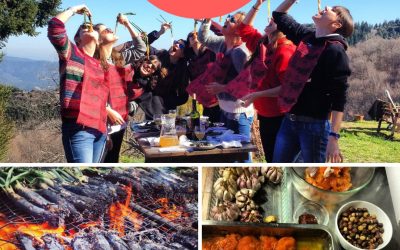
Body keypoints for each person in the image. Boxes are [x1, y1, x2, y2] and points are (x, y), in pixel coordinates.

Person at [272, 0, 354, 163]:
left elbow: (339, 99)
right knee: (278, 168)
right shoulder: (306, 37)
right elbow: (279, 15)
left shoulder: (335, 51)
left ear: (336, 24)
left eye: (333, 10)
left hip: (314, 127)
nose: (326, 7)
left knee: (313, 174)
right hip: (289, 120)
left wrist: (333, 138)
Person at [48, 5, 109, 163]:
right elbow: (55, 26)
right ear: (77, 39)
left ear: (98, 39)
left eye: (92, 28)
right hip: (78, 128)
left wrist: (106, 132)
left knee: (94, 175)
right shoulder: (71, 54)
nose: (88, 27)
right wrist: (73, 10)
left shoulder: (100, 65)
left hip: (100, 130)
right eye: (83, 28)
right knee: (82, 176)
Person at [238, 0, 296, 162]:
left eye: (273, 21)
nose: (269, 20)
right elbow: (244, 28)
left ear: (283, 28)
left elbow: (287, 88)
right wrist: (258, 4)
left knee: (278, 161)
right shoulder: (263, 44)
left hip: (280, 117)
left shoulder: (286, 50)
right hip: (264, 114)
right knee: (271, 158)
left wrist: (257, 94)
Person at [198, 12, 253, 162]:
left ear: (238, 29)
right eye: (229, 16)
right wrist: (207, 20)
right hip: (225, 110)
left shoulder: (241, 53)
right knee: (229, 155)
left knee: (242, 156)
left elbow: (248, 84)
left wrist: (222, 88)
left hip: (239, 114)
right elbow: (204, 38)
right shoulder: (222, 43)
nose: (227, 19)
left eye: (232, 19)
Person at [93, 14, 146, 163]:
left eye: (109, 28)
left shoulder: (118, 59)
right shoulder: (93, 62)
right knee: (99, 162)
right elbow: (93, 94)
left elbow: (141, 49)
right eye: (104, 30)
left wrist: (127, 24)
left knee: (112, 160)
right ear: (97, 40)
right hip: (102, 124)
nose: (109, 29)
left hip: (118, 123)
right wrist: (107, 113)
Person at [185, 31, 219, 123]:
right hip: (205, 101)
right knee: (208, 130)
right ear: (189, 44)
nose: (194, 36)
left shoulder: (211, 53)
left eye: (197, 34)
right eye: (191, 35)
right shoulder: (190, 61)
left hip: (219, 98)